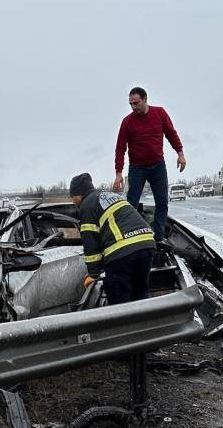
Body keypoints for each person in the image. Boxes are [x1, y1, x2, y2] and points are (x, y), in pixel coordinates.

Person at [70, 172, 155, 305]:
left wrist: (93, 275)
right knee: (140, 295)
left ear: (78, 194)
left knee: (118, 301)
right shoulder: (110, 196)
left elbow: (91, 243)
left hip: (122, 250)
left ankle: (124, 325)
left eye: (72, 197)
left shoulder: (87, 205)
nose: (72, 201)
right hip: (146, 244)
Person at [113, 87, 186, 242]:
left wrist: (180, 154)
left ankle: (159, 238)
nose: (133, 107)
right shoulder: (127, 122)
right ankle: (128, 238)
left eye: (136, 103)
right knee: (130, 205)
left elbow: (171, 134)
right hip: (137, 168)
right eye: (131, 104)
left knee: (162, 203)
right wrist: (118, 172)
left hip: (157, 166)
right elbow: (120, 147)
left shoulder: (159, 113)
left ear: (145, 99)